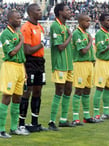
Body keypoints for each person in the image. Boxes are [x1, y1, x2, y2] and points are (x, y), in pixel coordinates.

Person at [0, 10, 29, 138]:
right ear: (9, 19)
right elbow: (11, 53)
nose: (19, 20)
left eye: (20, 17)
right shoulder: (5, 34)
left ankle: (13, 128)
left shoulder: (17, 33)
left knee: (18, 98)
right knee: (7, 96)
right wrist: (21, 41)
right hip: (10, 67)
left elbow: (20, 55)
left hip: (20, 68)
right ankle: (1, 129)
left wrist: (25, 71)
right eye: (17, 18)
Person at [19, 3, 47, 132]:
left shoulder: (39, 26)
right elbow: (27, 50)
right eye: (37, 10)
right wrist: (41, 45)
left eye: (40, 10)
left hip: (40, 62)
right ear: (30, 13)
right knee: (27, 91)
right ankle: (21, 124)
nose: (40, 12)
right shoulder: (26, 27)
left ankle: (34, 123)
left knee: (38, 91)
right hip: (30, 61)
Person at [48, 3, 75, 131]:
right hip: (60, 64)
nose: (70, 12)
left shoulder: (65, 26)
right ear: (60, 12)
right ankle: (51, 121)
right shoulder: (55, 26)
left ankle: (63, 119)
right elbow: (60, 47)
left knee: (68, 89)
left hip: (69, 64)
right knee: (59, 91)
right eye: (67, 10)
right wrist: (70, 36)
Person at [72, 14, 100, 125]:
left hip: (89, 65)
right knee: (79, 90)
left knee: (87, 90)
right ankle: (75, 118)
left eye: (90, 21)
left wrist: (93, 62)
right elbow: (83, 51)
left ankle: (86, 115)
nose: (89, 23)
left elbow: (89, 52)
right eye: (87, 21)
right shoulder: (77, 33)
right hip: (80, 65)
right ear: (80, 21)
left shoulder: (86, 34)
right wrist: (90, 41)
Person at [93, 13, 109, 120]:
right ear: (102, 22)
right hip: (102, 63)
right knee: (100, 87)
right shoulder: (100, 34)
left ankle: (106, 112)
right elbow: (101, 50)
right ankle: (96, 114)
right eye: (108, 20)